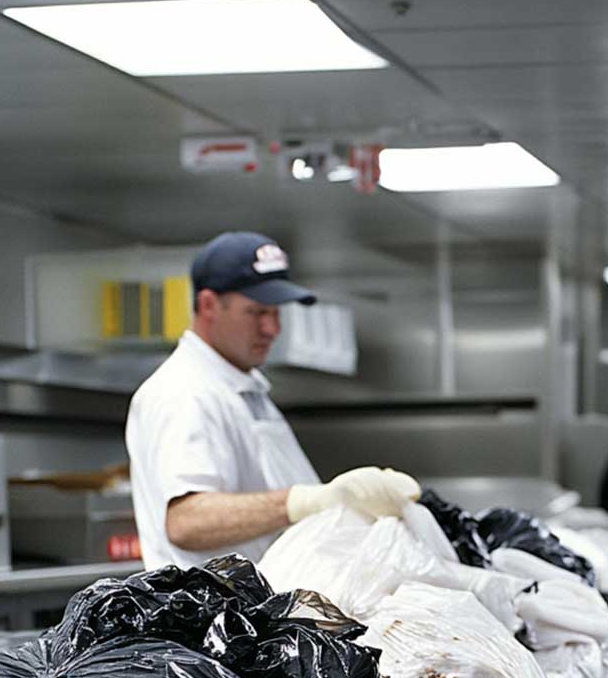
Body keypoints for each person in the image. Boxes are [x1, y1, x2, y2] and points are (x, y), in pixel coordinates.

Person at [126, 230, 419, 569]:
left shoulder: (244, 387)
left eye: (276, 313)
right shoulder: (184, 391)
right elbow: (187, 521)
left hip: (264, 611)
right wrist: (308, 501)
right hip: (216, 619)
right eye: (257, 312)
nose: (272, 329)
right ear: (208, 305)